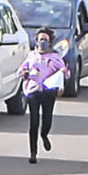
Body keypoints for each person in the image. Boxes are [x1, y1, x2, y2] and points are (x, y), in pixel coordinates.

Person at [19, 30, 65, 163]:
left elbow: (65, 72)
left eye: (45, 39)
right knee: (33, 121)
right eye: (40, 39)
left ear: (50, 42)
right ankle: (33, 153)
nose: (42, 42)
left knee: (47, 118)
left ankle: (44, 134)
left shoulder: (55, 57)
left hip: (48, 91)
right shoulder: (31, 55)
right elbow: (20, 71)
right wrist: (25, 73)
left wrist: (62, 73)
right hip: (33, 91)